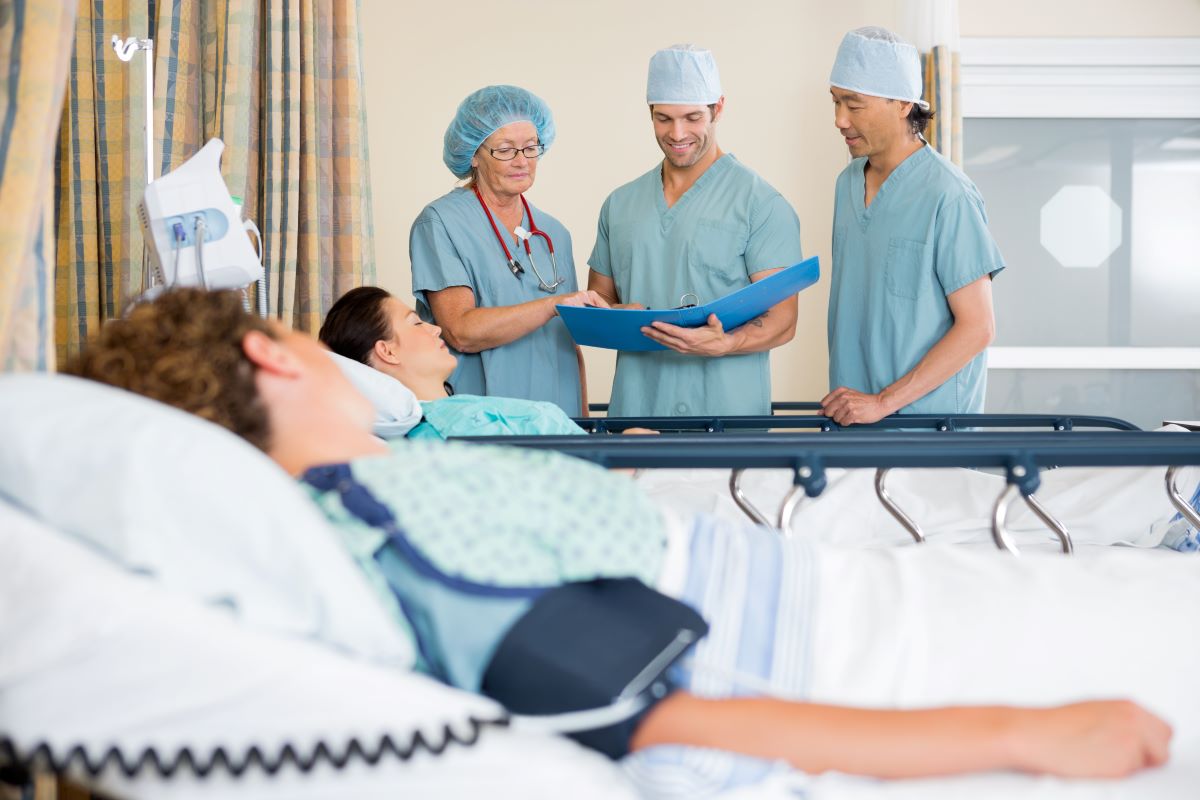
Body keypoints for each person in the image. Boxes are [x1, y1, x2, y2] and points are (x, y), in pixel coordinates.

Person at [68, 288, 1178, 791]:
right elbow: (664, 714)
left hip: (856, 594)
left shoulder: (383, 499)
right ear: (274, 360)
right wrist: (1032, 732)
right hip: (865, 646)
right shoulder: (390, 524)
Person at [587, 46, 803, 417]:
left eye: (692, 117)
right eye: (663, 118)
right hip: (638, 414)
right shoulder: (619, 205)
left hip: (727, 415)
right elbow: (597, 301)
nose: (677, 133)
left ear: (718, 109)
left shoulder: (762, 204)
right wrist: (617, 315)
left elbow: (783, 321)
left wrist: (727, 342)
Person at [822, 27, 1003, 426]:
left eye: (854, 105)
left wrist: (883, 403)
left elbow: (978, 327)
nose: (839, 120)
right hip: (851, 421)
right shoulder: (847, 184)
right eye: (835, 103)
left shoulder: (949, 194)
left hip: (930, 431)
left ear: (903, 103)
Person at [409, 85, 607, 417]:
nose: (522, 161)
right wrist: (552, 304)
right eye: (504, 149)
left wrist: (584, 423)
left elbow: (569, 342)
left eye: (531, 148)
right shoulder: (440, 223)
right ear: (473, 153)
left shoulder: (554, 234)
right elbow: (460, 331)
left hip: (558, 417)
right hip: (484, 419)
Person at [319, 285, 584, 439]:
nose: (435, 329)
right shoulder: (452, 426)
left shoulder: (456, 415)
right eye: (416, 322)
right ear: (388, 352)